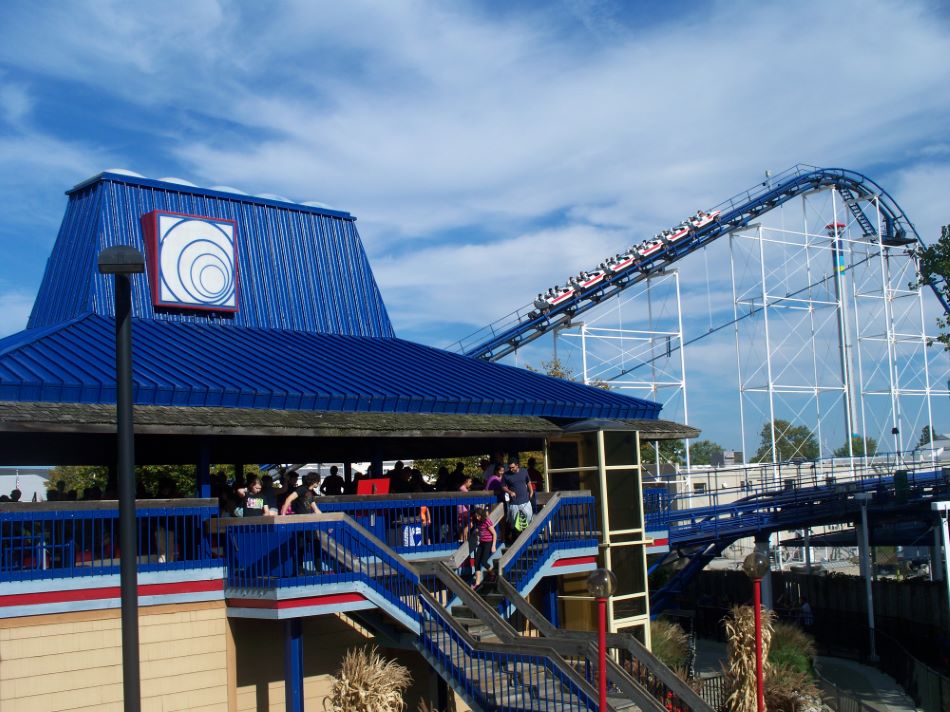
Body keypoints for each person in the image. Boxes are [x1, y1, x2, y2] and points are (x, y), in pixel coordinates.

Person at [502, 459, 533, 535]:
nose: (511, 469)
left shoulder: (524, 471)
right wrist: (510, 492)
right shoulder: (506, 475)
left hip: (525, 501)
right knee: (515, 524)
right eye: (509, 468)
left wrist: (531, 491)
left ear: (517, 465)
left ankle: (528, 540)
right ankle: (516, 541)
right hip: (514, 503)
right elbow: (503, 486)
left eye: (512, 467)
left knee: (528, 521)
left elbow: (528, 482)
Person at [471, 507, 496, 588]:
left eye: (478, 516)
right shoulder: (479, 522)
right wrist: (476, 531)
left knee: (483, 561)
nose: (477, 518)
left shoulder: (487, 521)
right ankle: (477, 582)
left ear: (481, 515)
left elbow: (494, 534)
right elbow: (481, 530)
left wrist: (493, 546)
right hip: (482, 542)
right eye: (476, 516)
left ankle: (493, 573)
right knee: (476, 562)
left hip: (488, 543)